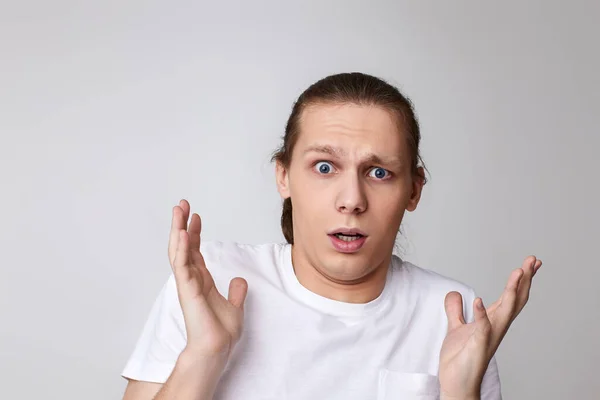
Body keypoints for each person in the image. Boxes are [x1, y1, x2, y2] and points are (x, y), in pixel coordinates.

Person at [120, 72, 542, 400]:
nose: (352, 200)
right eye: (324, 167)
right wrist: (204, 354)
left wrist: (460, 394)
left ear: (413, 189)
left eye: (379, 173)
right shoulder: (211, 281)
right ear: (284, 176)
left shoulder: (453, 316)